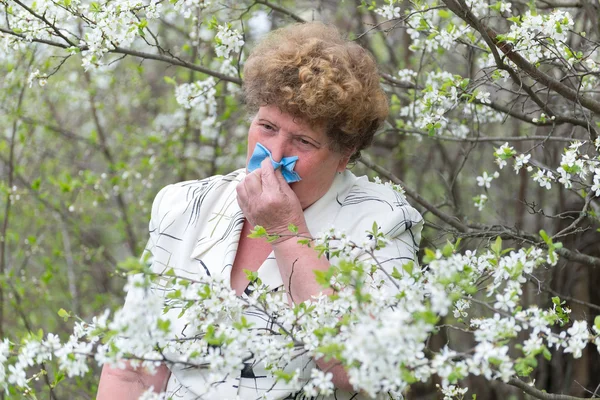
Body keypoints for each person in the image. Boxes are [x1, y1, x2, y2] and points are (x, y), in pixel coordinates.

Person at [97, 21, 423, 399]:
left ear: (344, 157)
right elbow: (133, 372)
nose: (275, 155)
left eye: (302, 140)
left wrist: (287, 233)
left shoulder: (381, 221)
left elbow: (365, 369)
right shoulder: (184, 207)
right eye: (267, 127)